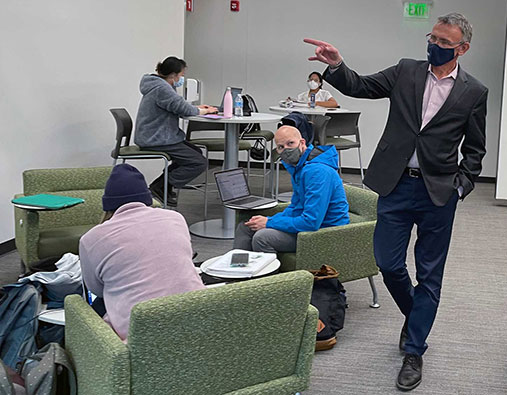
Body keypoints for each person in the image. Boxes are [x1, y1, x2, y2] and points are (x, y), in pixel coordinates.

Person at [305, 12, 487, 391]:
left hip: (439, 191)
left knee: (430, 274)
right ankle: (416, 314)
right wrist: (337, 64)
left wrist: (462, 185)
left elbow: (475, 148)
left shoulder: (474, 91)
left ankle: (414, 349)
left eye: (443, 42)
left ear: (462, 48)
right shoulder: (406, 71)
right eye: (431, 38)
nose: (434, 45)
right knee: (388, 263)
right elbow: (361, 85)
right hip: (396, 184)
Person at [78, 164, 205, 340]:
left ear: (107, 205)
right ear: (147, 198)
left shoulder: (92, 239)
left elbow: (96, 289)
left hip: (141, 338)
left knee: (96, 305)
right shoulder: (176, 218)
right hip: (199, 322)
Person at [233, 125, 349, 253]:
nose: (286, 150)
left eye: (290, 143)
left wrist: (269, 223)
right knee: (246, 227)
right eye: (281, 147)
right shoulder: (300, 167)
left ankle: (271, 273)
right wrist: (269, 220)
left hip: (325, 234)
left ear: (302, 143)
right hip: (310, 227)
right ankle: (237, 269)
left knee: (262, 238)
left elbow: (311, 222)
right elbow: (296, 207)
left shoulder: (317, 172)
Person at [133, 56, 218, 206]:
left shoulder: (158, 85)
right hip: (156, 138)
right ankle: (161, 186)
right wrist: (205, 111)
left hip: (157, 135)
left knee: (195, 154)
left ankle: (162, 185)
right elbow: (184, 109)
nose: (182, 79)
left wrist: (198, 109)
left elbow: (178, 107)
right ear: (173, 75)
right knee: (198, 162)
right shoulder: (162, 88)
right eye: (182, 75)